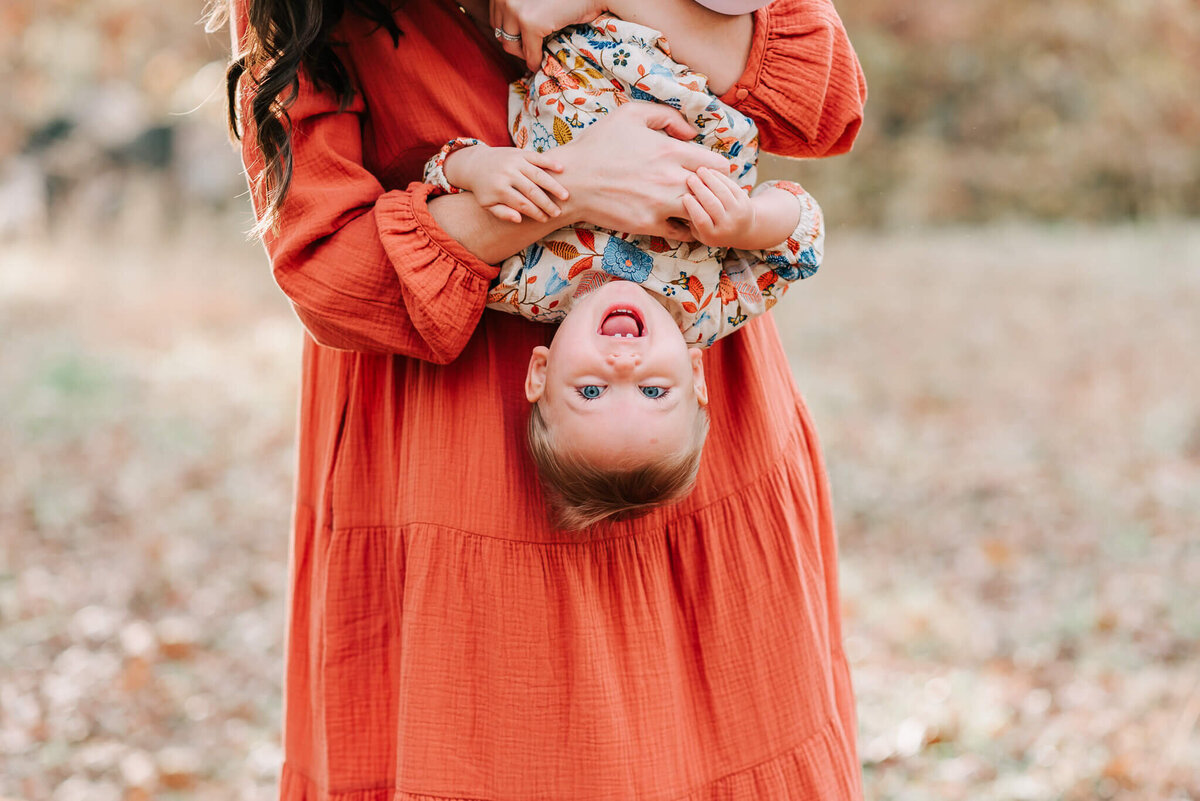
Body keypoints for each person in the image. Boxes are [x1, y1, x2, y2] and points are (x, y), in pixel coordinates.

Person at [218, 0, 867, 797]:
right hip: (447, 432)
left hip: (684, 422)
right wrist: (574, 186)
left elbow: (825, 98)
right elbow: (330, 275)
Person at [420, 8, 826, 527]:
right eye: (654, 391)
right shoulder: (706, 310)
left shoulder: (522, 284)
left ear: (541, 372)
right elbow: (803, 239)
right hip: (694, 47)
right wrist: (746, 223)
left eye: (591, 391)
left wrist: (478, 168)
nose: (624, 365)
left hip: (571, 44)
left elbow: (441, 178)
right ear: (696, 375)